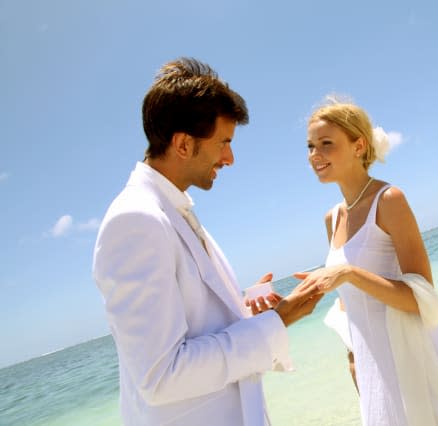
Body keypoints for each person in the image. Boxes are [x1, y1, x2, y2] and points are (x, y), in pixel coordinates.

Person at [92, 58, 323, 426]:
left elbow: (193, 319)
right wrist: (279, 320)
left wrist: (242, 307)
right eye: (223, 142)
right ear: (183, 144)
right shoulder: (135, 220)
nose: (229, 158)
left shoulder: (171, 210)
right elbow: (160, 377)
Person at [296, 98, 438, 425]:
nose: (315, 155)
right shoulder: (332, 218)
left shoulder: (389, 200)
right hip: (374, 369)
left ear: (359, 145)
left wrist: (349, 273)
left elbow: (422, 298)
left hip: (415, 360)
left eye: (327, 144)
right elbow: (348, 306)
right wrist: (353, 357)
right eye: (311, 146)